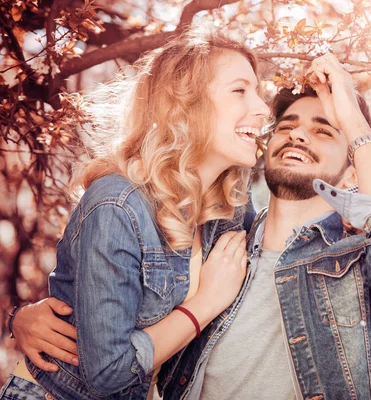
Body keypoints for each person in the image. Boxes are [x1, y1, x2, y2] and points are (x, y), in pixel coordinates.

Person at [9, 54, 371, 399]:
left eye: (325, 131)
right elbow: (115, 313)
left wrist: (353, 119)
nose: (298, 135)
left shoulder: (359, 271)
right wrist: (24, 318)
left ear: (351, 172)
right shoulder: (218, 242)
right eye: (287, 126)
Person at [1, 30, 269, 399]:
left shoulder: (230, 209)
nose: (263, 108)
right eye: (240, 90)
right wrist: (204, 304)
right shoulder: (117, 204)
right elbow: (108, 374)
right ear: (185, 104)